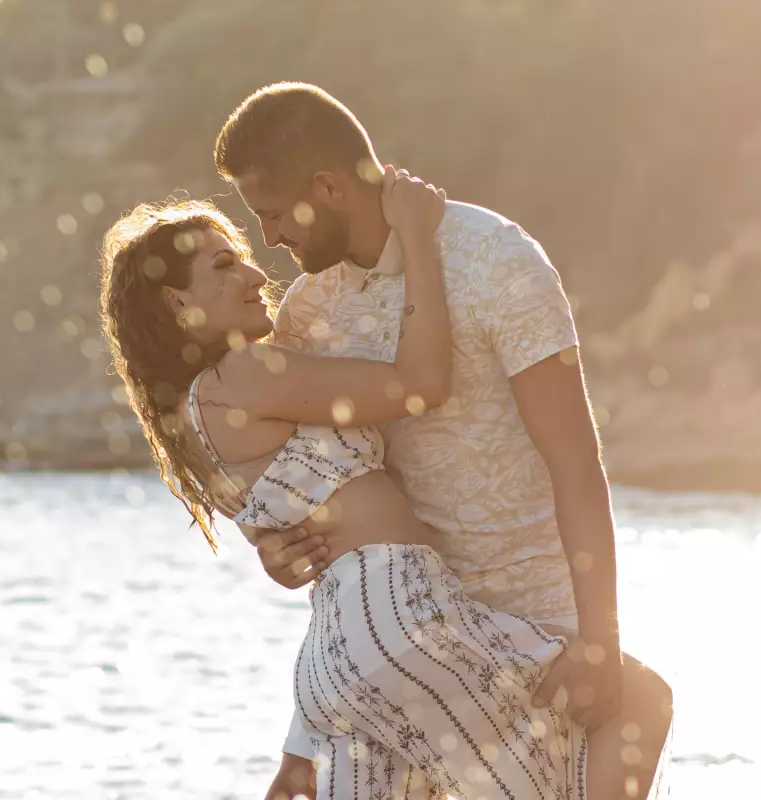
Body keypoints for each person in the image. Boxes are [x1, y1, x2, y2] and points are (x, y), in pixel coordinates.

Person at [213, 82, 673, 800]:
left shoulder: (493, 259)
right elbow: (326, 499)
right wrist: (278, 546)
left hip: (542, 637)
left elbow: (576, 466)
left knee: (644, 711)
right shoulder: (308, 313)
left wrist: (596, 639)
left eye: (272, 215)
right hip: (419, 649)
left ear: (327, 187)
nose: (270, 239)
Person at [99, 175, 590, 799]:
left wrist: (298, 739)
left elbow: (290, 542)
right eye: (226, 265)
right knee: (632, 711)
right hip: (401, 620)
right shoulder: (247, 373)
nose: (255, 275)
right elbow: (420, 384)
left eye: (247, 257)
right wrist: (416, 238)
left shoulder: (191, 422)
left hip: (334, 661)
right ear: (176, 304)